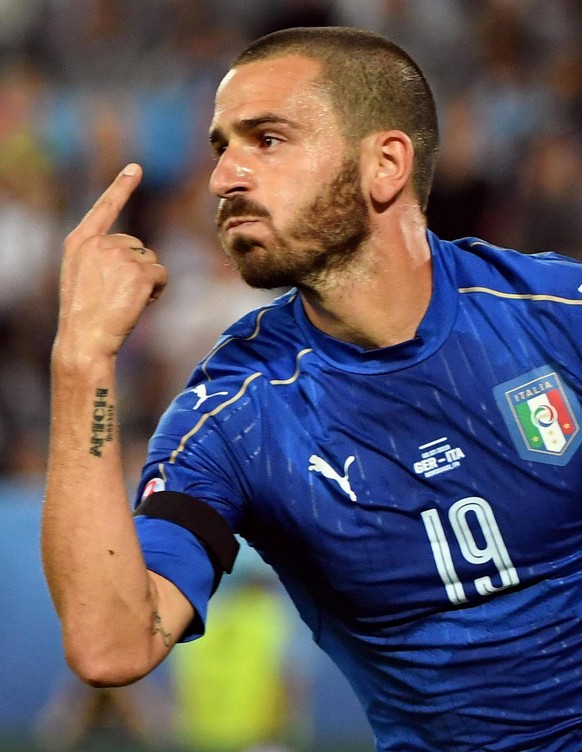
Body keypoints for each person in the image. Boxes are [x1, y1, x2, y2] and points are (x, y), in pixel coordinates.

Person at [42, 26, 582, 752]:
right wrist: (82, 359)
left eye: (266, 139)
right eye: (221, 146)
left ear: (385, 164)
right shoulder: (236, 417)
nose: (223, 178)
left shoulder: (559, 316)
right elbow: (111, 646)